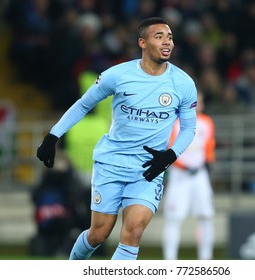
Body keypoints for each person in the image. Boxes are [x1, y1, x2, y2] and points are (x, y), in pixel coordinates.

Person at [36, 17, 197, 260]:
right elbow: (83, 105)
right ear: (142, 43)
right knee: (99, 234)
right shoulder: (118, 75)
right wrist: (53, 136)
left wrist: (170, 155)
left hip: (148, 169)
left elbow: (188, 128)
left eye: (170, 37)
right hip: (112, 163)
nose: (167, 42)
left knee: (133, 230)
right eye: (159, 36)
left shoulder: (183, 83)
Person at [162, 92, 216, 260]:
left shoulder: (207, 122)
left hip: (199, 174)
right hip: (180, 175)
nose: (199, 104)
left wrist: (207, 162)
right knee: (173, 218)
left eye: (200, 101)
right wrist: (183, 165)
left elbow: (209, 146)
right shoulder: (176, 123)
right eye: (195, 101)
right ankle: (170, 261)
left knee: (206, 216)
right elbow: (169, 149)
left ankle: (205, 260)